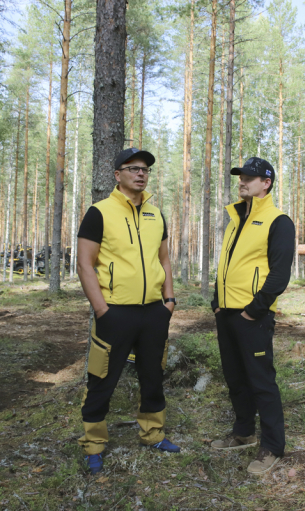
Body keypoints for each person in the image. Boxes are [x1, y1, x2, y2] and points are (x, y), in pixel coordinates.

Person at [76, 147, 180, 475]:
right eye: (133, 168)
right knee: (101, 379)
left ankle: (153, 434)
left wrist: (169, 301)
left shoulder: (155, 214)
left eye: (145, 169)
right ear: (117, 174)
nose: (140, 173)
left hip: (153, 313)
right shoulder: (99, 212)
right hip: (115, 313)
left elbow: (164, 260)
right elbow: (85, 264)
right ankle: (94, 445)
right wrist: (101, 309)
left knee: (153, 376)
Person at [210, 157, 295, 475]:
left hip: (252, 316)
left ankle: (272, 447)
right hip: (227, 313)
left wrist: (252, 311)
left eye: (250, 177)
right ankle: (243, 432)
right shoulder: (236, 220)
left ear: (266, 183)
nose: (242, 181)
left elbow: (279, 275)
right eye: (241, 176)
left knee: (261, 382)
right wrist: (217, 302)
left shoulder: (278, 221)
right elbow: (227, 266)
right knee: (235, 379)